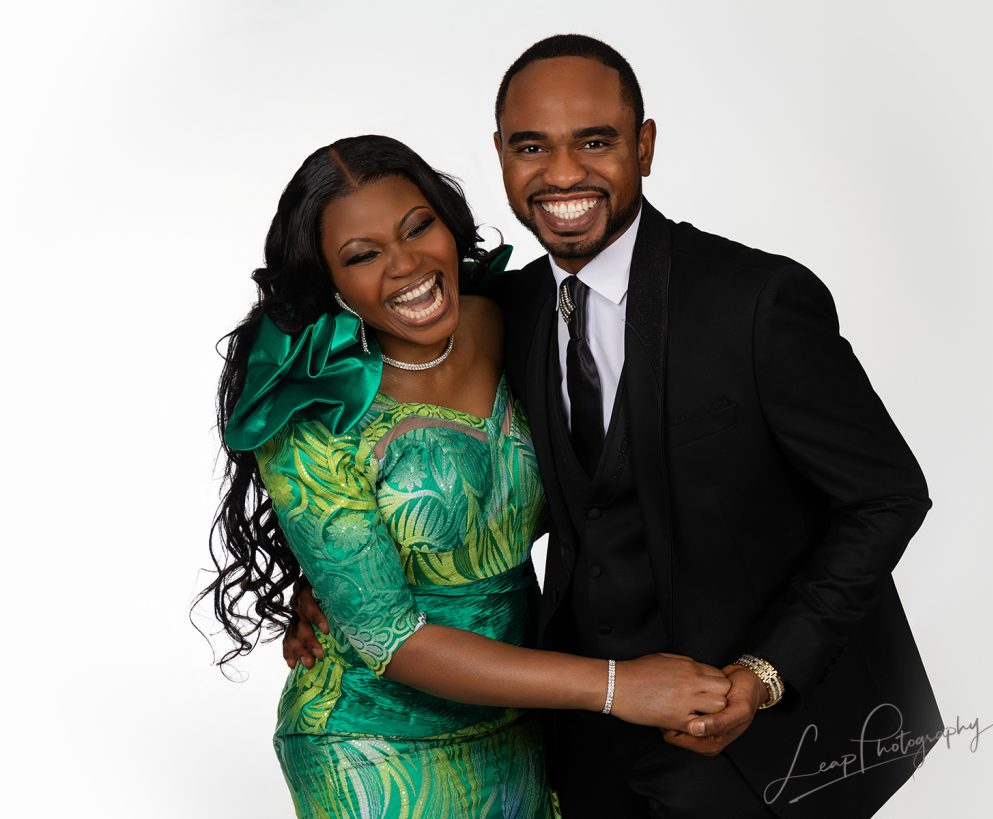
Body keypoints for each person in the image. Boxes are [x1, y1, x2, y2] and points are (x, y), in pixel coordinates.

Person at [289, 37, 943, 818]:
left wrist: (765, 674)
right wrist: (332, 572)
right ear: (501, 156)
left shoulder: (759, 302)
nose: (563, 174)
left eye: (594, 142)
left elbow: (886, 496)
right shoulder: (509, 310)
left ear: (645, 145)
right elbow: (383, 437)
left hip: (756, 742)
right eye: (533, 147)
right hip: (578, 741)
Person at [203, 134, 735, 818]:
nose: (405, 266)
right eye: (362, 256)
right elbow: (391, 638)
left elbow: (598, 496)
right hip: (371, 743)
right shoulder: (311, 417)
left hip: (522, 719)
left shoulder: (520, 319)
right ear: (328, 283)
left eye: (417, 227)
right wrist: (614, 686)